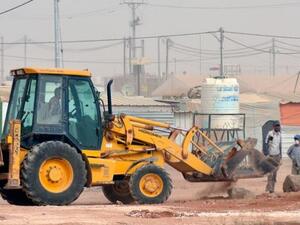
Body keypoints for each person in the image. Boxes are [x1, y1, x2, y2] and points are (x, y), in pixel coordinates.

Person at [265, 121, 282, 193]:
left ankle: (271, 189)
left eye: (278, 126)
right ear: (273, 127)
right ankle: (270, 189)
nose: (278, 127)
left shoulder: (279, 135)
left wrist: (280, 155)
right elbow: (268, 144)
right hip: (271, 156)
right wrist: (267, 154)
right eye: (276, 126)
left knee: (275, 174)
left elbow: (279, 145)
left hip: (277, 156)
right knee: (270, 173)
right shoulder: (271, 134)